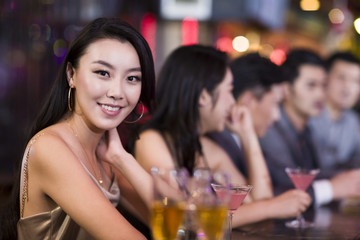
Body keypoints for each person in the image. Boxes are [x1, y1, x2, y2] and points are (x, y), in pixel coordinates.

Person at [1, 17, 155, 240]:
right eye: (103, 73)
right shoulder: (50, 148)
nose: (117, 92)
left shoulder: (104, 149)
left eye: (132, 78)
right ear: (71, 75)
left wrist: (123, 158)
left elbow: (176, 220)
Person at [134, 45, 311, 227]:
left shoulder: (206, 147)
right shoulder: (152, 140)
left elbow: (256, 199)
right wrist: (271, 207)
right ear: (203, 96)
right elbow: (186, 219)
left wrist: (248, 136)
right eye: (228, 90)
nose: (233, 102)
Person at [260, 48, 360, 207]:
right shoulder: (270, 127)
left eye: (323, 85)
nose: (321, 94)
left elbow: (315, 174)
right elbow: (285, 183)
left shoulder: (306, 129)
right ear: (286, 89)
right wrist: (333, 187)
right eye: (311, 85)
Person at [207, 52, 282, 178]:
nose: (277, 116)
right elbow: (259, 195)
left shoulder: (244, 138)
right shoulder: (216, 142)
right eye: (275, 103)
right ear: (247, 101)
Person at [309, 51, 360, 175]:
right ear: (325, 79)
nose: (348, 87)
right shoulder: (308, 115)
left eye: (356, 81)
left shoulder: (352, 121)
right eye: (341, 78)